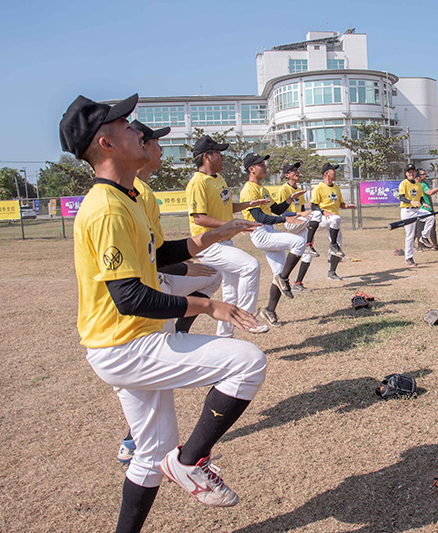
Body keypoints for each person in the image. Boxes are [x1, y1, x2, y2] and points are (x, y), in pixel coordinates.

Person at [61, 94, 268, 533]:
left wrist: (221, 233)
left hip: (125, 342)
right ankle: (191, 462)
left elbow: (159, 256)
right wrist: (211, 304)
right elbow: (130, 297)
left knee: (152, 453)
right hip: (126, 344)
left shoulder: (128, 196)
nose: (138, 129)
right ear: (106, 143)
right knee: (247, 362)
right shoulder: (106, 208)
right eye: (125, 124)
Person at [115, 120, 223, 466]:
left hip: (157, 286)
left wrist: (187, 263)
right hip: (146, 298)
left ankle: (139, 444)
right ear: (141, 149)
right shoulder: (135, 194)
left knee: (213, 276)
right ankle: (136, 442)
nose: (161, 148)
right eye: (155, 142)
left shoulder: (140, 191)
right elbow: (150, 257)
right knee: (148, 383)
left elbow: (155, 250)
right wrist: (185, 272)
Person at [185, 135, 271, 336]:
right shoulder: (197, 182)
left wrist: (247, 205)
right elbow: (199, 218)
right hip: (208, 244)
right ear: (207, 157)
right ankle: (248, 318)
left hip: (224, 241)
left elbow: (225, 207)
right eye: (219, 154)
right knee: (250, 266)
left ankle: (225, 336)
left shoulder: (218, 179)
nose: (223, 157)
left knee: (230, 291)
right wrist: (232, 225)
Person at [238, 153, 310, 325]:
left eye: (264, 163)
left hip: (267, 230)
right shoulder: (248, 189)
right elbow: (259, 217)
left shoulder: (263, 189)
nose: (265, 167)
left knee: (278, 273)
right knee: (299, 242)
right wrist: (286, 219)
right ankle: (283, 278)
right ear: (251, 169)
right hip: (261, 233)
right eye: (260, 164)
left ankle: (269, 310)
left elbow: (276, 210)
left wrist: (289, 200)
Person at [277, 161, 322, 292]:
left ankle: (298, 283)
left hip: (300, 223)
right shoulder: (284, 189)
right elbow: (281, 211)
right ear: (286, 175)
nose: (296, 172)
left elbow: (303, 209)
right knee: (317, 215)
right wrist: (300, 214)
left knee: (307, 255)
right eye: (292, 170)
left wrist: (303, 214)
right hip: (290, 222)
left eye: (297, 169)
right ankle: (308, 244)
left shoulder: (299, 189)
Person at [309, 162, 356, 280]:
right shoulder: (318, 188)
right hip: (322, 218)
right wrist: (324, 212)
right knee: (336, 218)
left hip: (334, 221)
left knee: (339, 247)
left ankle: (332, 272)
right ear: (326, 173)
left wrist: (347, 206)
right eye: (333, 170)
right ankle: (333, 246)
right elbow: (313, 206)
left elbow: (341, 204)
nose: (335, 172)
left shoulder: (336, 187)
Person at [397, 163, 435, 267]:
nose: (411, 173)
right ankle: (408, 257)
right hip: (407, 210)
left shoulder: (418, 184)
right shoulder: (403, 183)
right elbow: (401, 197)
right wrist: (411, 202)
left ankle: (424, 237)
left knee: (431, 217)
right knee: (410, 235)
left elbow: (421, 196)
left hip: (417, 209)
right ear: (406, 173)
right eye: (409, 172)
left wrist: (423, 203)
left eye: (413, 171)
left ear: (415, 173)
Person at [416, 168, 438, 251]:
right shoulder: (421, 185)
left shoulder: (423, 183)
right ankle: (433, 245)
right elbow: (430, 192)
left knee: (422, 228)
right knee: (427, 228)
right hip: (423, 209)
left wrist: (432, 207)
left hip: (427, 208)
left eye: (425, 174)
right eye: (423, 174)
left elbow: (428, 196)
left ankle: (421, 246)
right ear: (418, 175)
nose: (425, 176)